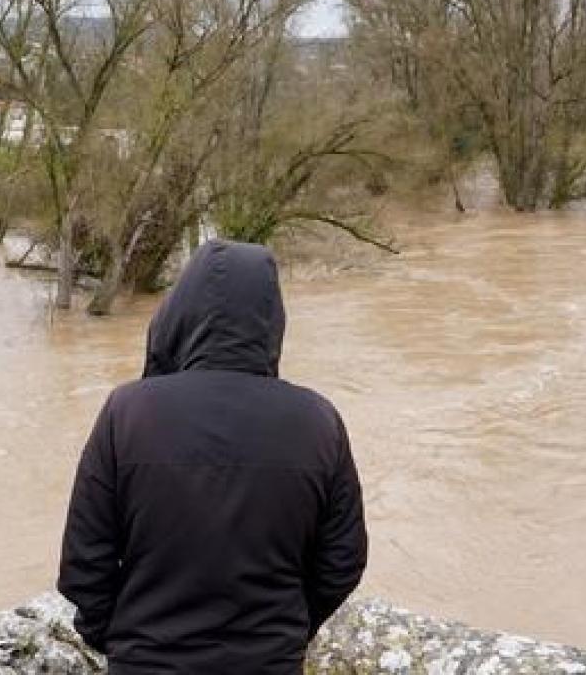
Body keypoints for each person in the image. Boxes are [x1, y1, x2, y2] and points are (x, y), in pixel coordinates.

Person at [57, 239, 368, 674]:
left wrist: (119, 638)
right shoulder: (318, 420)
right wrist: (285, 634)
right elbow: (342, 562)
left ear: (181, 312)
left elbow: (84, 560)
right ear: (272, 320)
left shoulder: (127, 412)